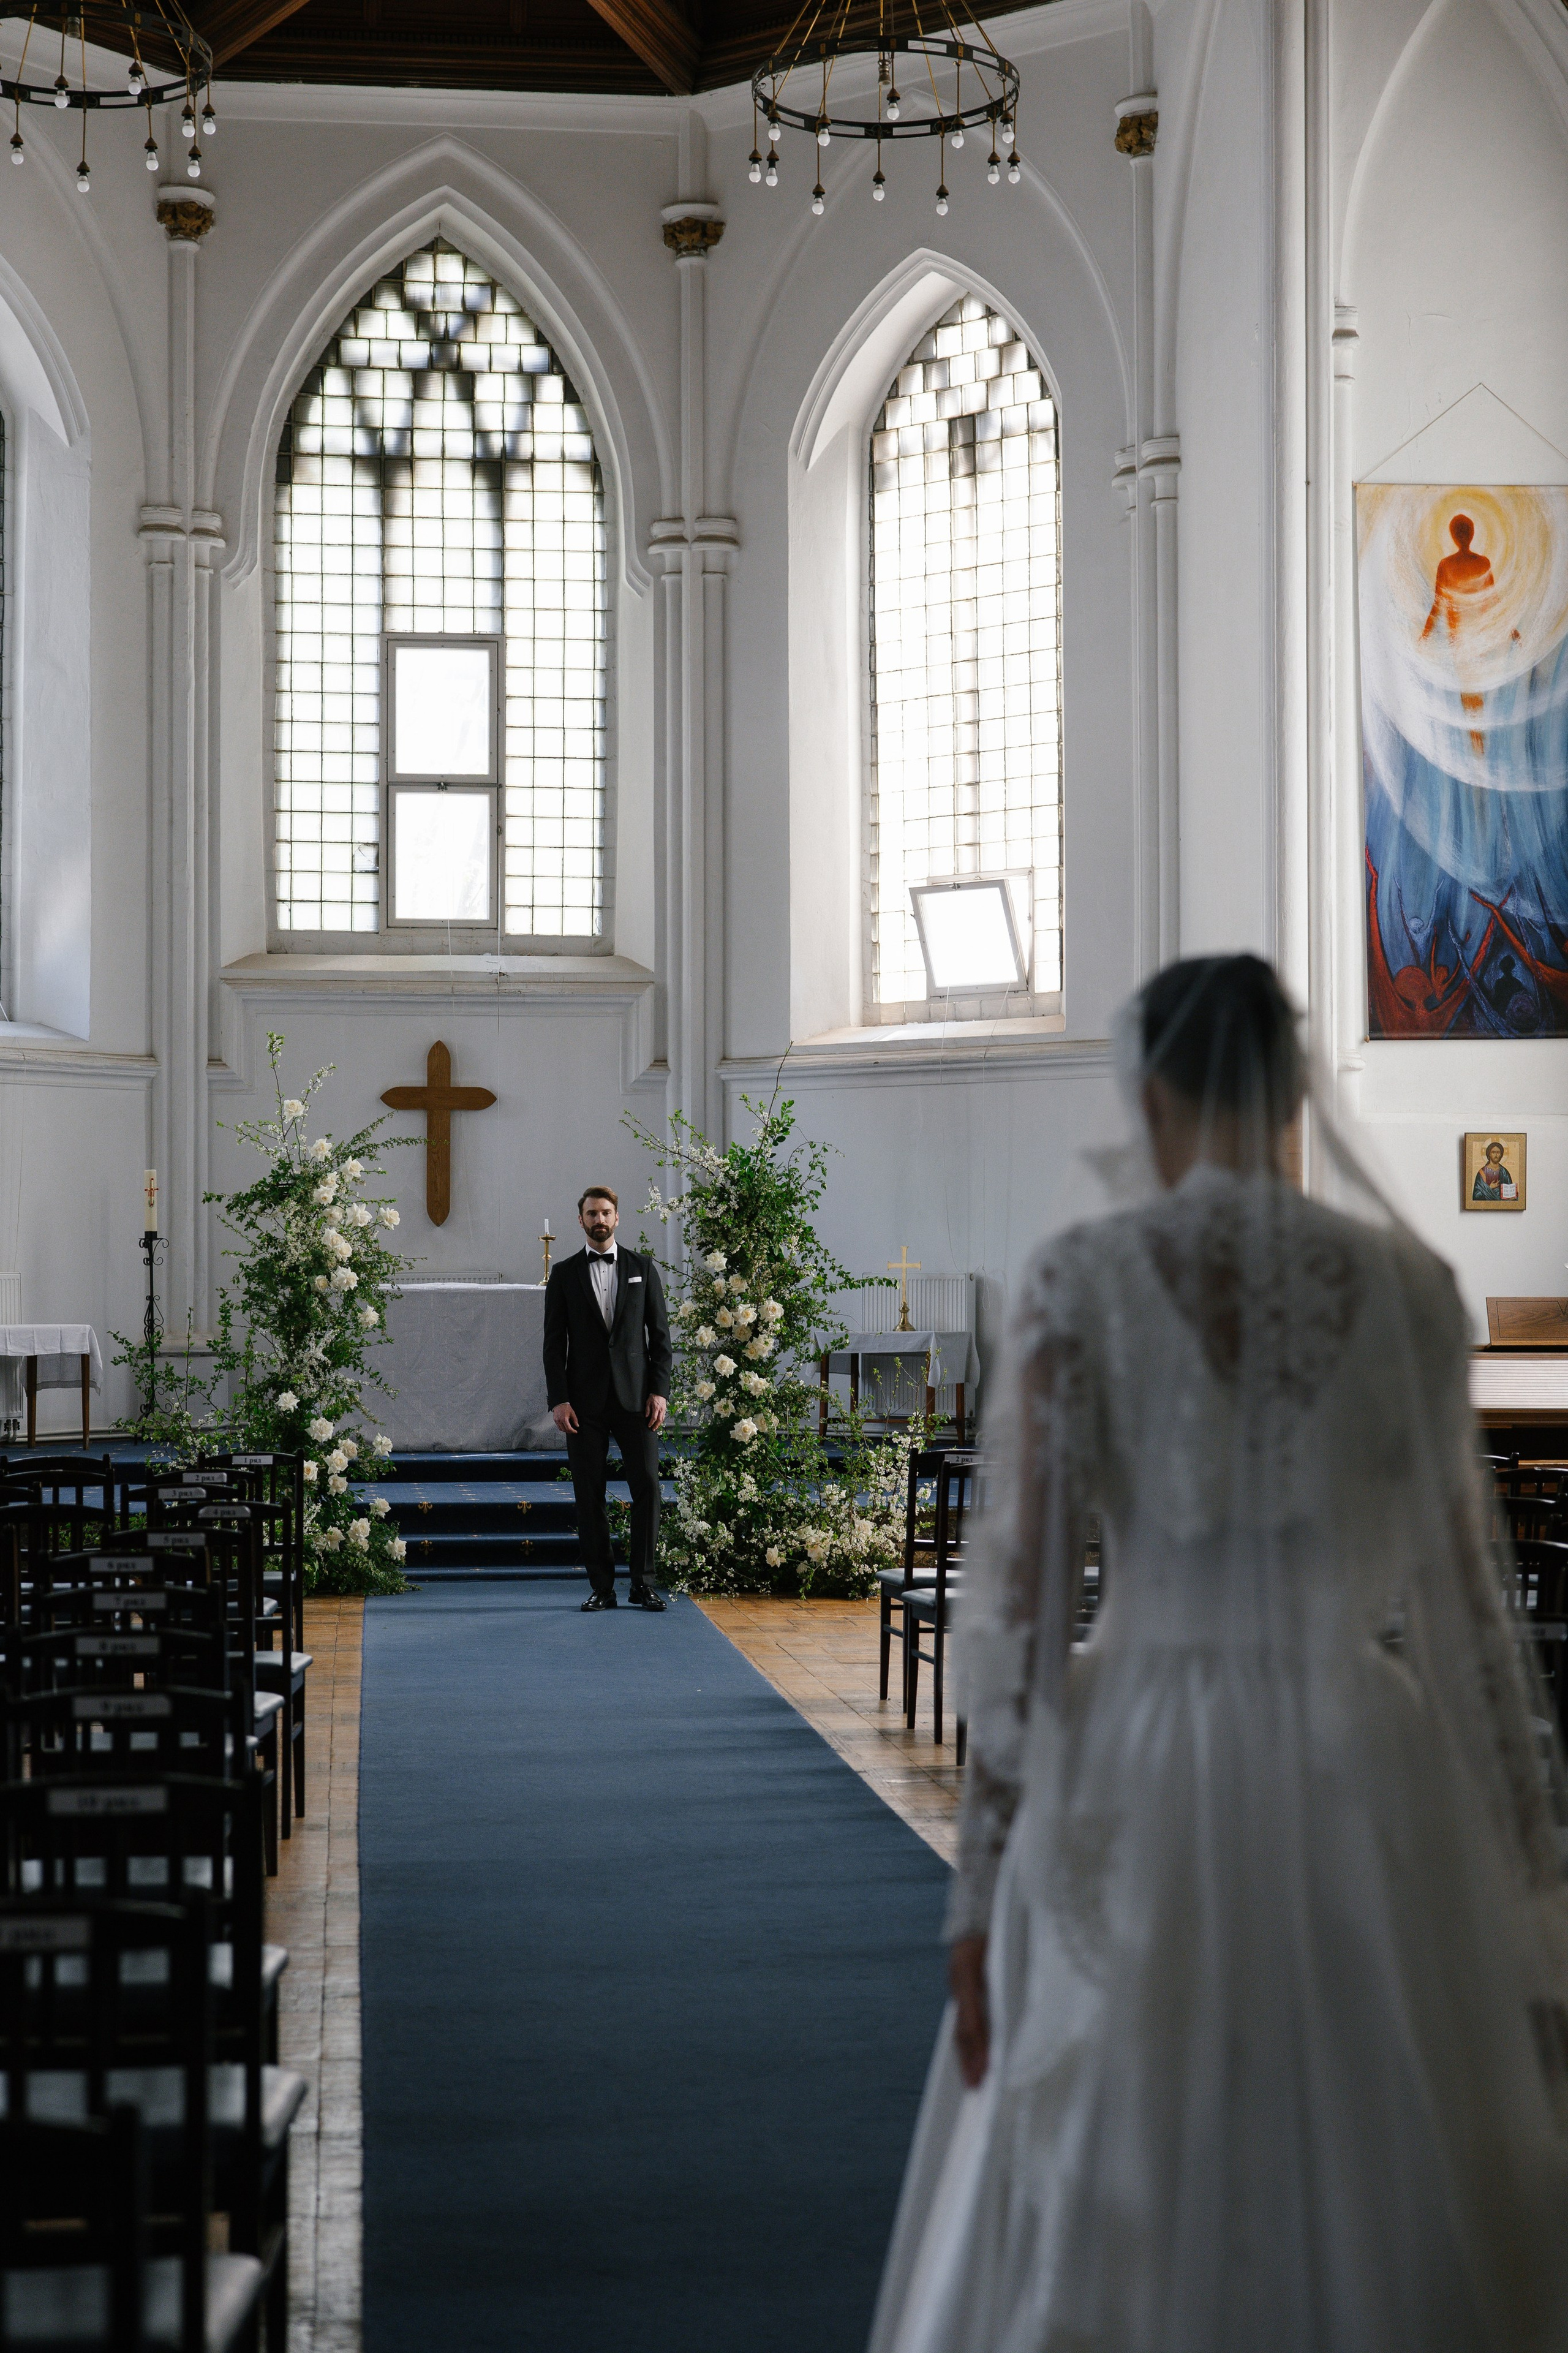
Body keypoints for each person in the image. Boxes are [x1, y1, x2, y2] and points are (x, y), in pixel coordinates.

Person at [870, 955, 1568, 2353]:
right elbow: (1467, 1624)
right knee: (1380, 2127)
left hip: (1137, 1742)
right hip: (1361, 1749)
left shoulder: (1083, 1277)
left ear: (1148, 1094)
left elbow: (1020, 1615)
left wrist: (979, 1893)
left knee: (1119, 2129)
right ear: (1293, 1092)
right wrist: (1526, 1895)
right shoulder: (1414, 1287)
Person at [543, 1185, 673, 1613]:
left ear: (617, 1218)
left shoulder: (642, 1267)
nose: (599, 1220)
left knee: (648, 1488)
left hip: (638, 1401)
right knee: (589, 1493)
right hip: (583, 1405)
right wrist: (559, 1400)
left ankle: (643, 1584)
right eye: (591, 1213)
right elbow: (553, 1345)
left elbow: (661, 1338)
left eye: (605, 1213)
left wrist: (660, 1392)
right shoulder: (564, 1274)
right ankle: (602, 1586)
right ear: (580, 1220)